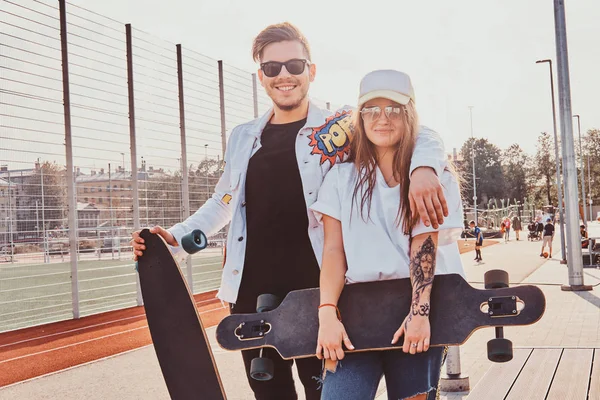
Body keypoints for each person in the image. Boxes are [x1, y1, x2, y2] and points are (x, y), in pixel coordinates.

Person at [130, 23, 450, 400]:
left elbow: (416, 129)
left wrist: (424, 167)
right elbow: (224, 202)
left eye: (295, 66)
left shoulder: (340, 125)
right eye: (272, 68)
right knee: (271, 396)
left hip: (317, 293)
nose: (284, 75)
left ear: (311, 71)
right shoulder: (244, 136)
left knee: (323, 392)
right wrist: (178, 238)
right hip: (251, 293)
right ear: (261, 77)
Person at [310, 69, 465, 400]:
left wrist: (419, 314)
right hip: (356, 314)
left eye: (394, 109)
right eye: (372, 110)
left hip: (414, 311)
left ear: (409, 114)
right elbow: (334, 251)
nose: (383, 119)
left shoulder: (432, 178)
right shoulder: (340, 178)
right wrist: (327, 314)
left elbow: (424, 246)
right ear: (360, 117)